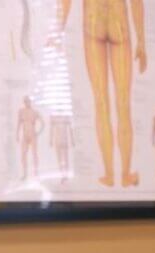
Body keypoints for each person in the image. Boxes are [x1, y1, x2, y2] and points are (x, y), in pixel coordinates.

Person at [53, 0, 147, 187]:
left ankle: (110, 174)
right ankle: (125, 175)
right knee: (123, 104)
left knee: (101, 103)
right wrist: (141, 40)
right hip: (118, 22)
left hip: (93, 22)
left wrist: (58, 31)